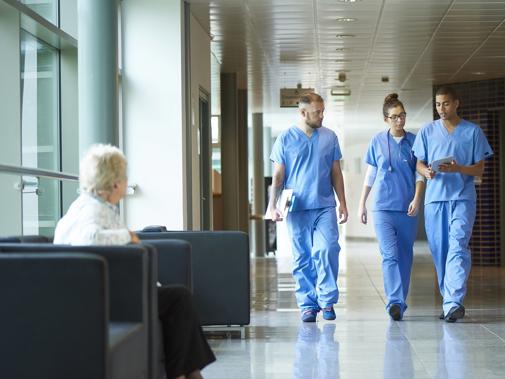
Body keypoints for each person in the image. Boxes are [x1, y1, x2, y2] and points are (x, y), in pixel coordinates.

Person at [54, 144, 215, 379]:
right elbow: (86, 239)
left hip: (100, 291)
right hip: (103, 297)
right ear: (116, 183)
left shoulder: (84, 207)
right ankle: (186, 374)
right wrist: (127, 236)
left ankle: (188, 373)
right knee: (179, 299)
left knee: (175, 300)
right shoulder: (92, 211)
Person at [412, 86, 493, 323]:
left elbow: (480, 169)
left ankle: (454, 302)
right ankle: (449, 300)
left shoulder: (473, 132)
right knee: (440, 252)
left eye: (446, 103)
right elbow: (418, 163)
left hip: (462, 198)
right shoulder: (427, 131)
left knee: (458, 246)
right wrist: (425, 170)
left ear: (456, 103)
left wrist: (458, 168)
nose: (441, 109)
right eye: (438, 105)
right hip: (435, 200)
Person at [268, 92, 348, 322]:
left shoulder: (330, 137)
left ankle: (327, 299)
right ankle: (308, 304)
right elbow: (279, 175)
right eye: (317, 112)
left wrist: (342, 202)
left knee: (327, 249)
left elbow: (336, 172)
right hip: (297, 207)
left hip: (324, 205)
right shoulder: (285, 139)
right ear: (303, 113)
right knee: (302, 257)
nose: (322, 116)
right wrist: (272, 205)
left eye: (323, 111)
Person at [357, 93, 425, 321]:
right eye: (394, 117)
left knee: (405, 255)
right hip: (383, 208)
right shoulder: (377, 141)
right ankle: (394, 301)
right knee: (389, 255)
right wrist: (362, 203)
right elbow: (371, 173)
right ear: (386, 119)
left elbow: (420, 173)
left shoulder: (415, 141)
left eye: (402, 115)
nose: (399, 120)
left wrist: (417, 199)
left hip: (407, 208)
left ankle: (400, 301)